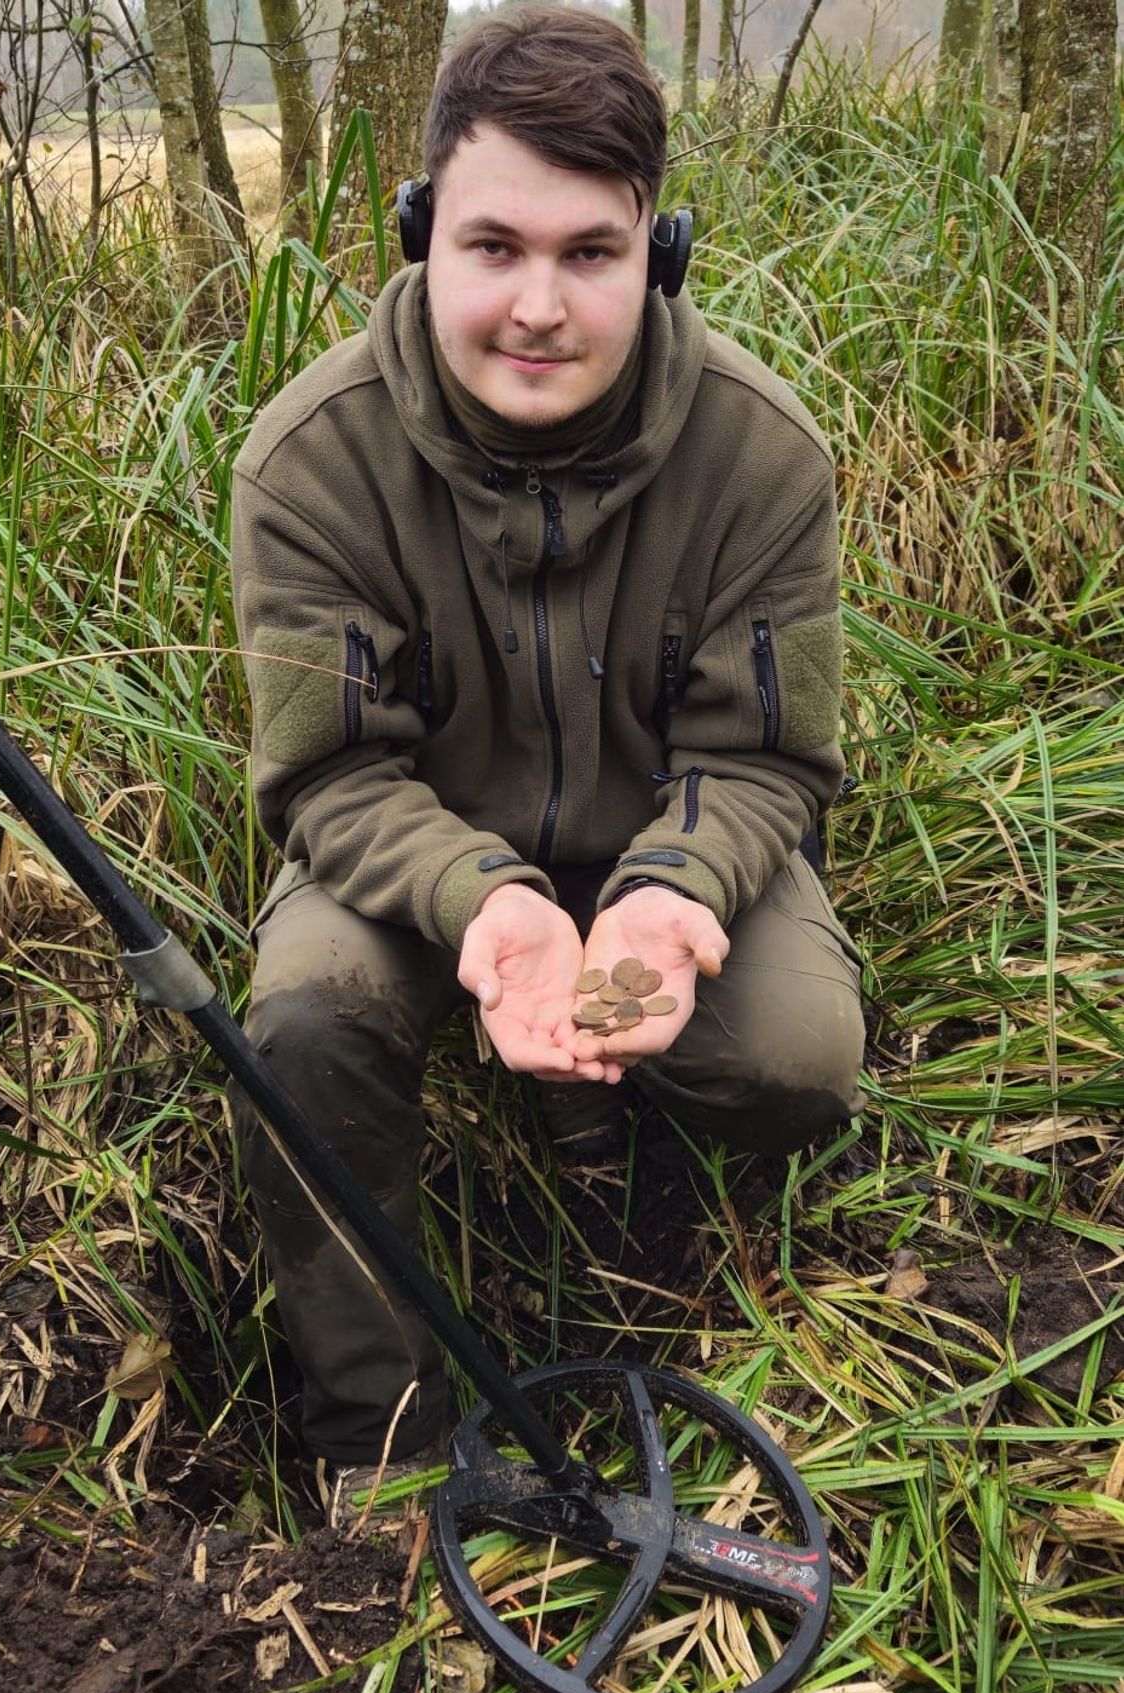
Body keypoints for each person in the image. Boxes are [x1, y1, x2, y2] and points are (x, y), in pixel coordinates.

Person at [228, 7, 864, 1525]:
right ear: (418, 236)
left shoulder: (764, 453)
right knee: (300, 1035)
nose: (538, 304)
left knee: (796, 1058)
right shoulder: (308, 459)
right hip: (408, 861)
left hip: (666, 839)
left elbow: (767, 759)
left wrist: (676, 889)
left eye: (592, 253)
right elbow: (331, 781)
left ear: (665, 251)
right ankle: (378, 1446)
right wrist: (489, 903)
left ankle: (642, 1192)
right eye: (491, 246)